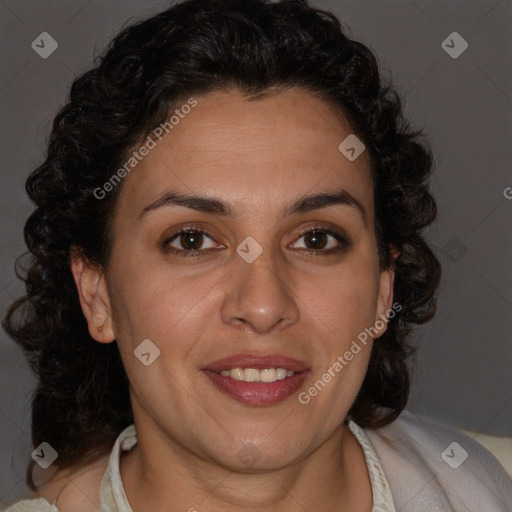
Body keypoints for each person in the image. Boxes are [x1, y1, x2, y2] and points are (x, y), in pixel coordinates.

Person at [2, 0, 511, 511]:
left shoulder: (482, 485)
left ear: (384, 288)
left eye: (316, 239)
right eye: (193, 240)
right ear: (97, 293)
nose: (264, 305)